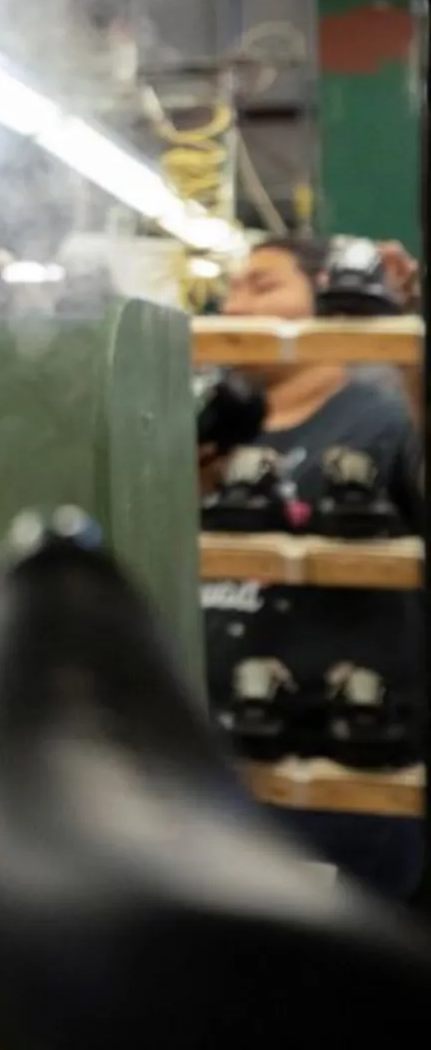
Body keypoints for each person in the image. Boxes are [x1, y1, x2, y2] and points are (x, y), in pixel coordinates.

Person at [205, 236, 426, 901]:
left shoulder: (385, 424)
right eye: (233, 287)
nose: (237, 305)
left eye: (264, 286)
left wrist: (405, 331)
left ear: (326, 296)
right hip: (221, 776)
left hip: (342, 785)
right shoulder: (210, 432)